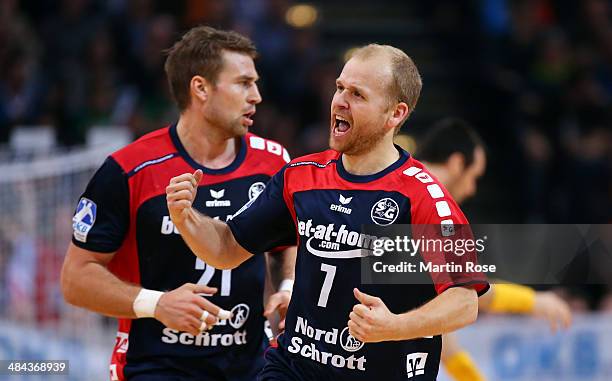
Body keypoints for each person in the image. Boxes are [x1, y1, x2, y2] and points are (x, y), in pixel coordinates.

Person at [166, 44, 489, 381]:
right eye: (339, 88)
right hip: (294, 368)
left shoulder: (423, 198)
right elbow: (226, 248)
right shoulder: (301, 175)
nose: (340, 101)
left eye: (358, 95)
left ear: (395, 114)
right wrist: (186, 218)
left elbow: (464, 302)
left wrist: (395, 326)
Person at [61, 26, 295, 381]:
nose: (257, 96)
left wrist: (288, 286)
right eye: (243, 83)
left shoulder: (273, 161)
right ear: (200, 88)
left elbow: (285, 243)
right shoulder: (129, 169)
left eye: (255, 83)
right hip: (156, 365)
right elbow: (75, 278)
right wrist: (156, 304)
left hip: (249, 364)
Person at [415, 118, 572, 381]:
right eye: (474, 177)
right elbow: (470, 293)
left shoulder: (404, 190)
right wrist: (533, 301)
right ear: (456, 163)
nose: (472, 189)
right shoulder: (432, 208)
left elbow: (439, 329)